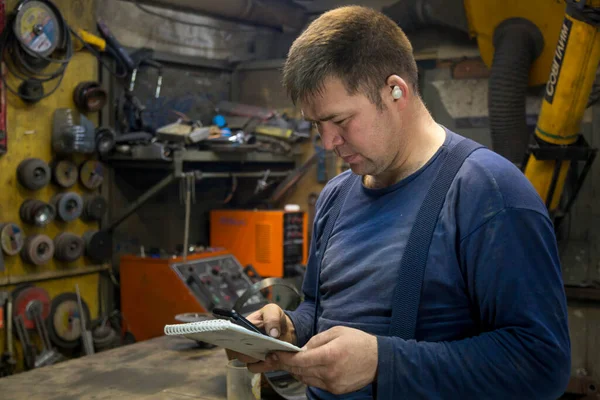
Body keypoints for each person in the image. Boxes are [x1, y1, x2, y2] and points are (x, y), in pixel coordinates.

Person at [228, 5, 571, 399]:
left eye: (340, 122)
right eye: (316, 125)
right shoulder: (335, 198)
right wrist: (289, 328)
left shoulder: (488, 192)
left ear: (396, 91)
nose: (328, 143)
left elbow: (543, 365)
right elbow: (320, 310)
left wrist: (382, 362)